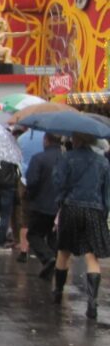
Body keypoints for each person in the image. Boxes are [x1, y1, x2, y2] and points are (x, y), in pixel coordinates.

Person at [50, 132, 110, 319]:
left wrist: (61, 201)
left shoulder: (67, 158)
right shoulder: (103, 162)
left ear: (78, 140)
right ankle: (92, 304)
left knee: (64, 251)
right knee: (92, 256)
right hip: (94, 211)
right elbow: (106, 192)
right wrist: (104, 212)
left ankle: (58, 293)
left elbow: (58, 183)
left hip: (71, 208)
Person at [25, 133, 62, 281]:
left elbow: (32, 181)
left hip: (41, 204)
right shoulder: (66, 159)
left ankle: (49, 258)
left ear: (46, 140)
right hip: (59, 206)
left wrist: (31, 197)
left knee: (33, 234)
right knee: (53, 237)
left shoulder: (38, 158)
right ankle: (52, 265)